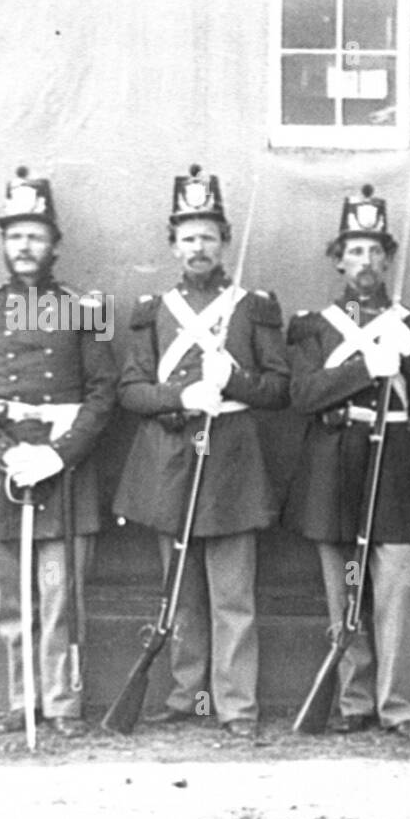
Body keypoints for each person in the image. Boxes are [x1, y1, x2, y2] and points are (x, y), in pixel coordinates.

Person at [113, 165, 290, 740]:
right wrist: (182, 395)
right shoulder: (151, 309)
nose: (198, 247)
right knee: (181, 592)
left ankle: (237, 706)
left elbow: (279, 389)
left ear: (224, 243)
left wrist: (233, 379)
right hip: (169, 461)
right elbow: (130, 391)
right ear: (173, 244)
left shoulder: (253, 307)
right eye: (187, 236)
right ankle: (188, 696)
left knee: (233, 595)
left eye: (208, 236)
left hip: (233, 465)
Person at [0, 167, 117, 738]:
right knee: (14, 600)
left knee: (62, 594)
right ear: (3, 242)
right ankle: (24, 700)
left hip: (64, 468)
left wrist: (60, 454)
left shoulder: (80, 307)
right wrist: (4, 451)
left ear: (54, 245)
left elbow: (102, 392)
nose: (25, 246)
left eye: (36, 235)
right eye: (15, 235)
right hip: (4, 469)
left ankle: (63, 704)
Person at [286, 184, 410, 739]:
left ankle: (397, 706)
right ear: (338, 260)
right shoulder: (313, 325)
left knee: (399, 585)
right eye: (355, 251)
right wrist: (364, 370)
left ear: (388, 259)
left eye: (377, 251)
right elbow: (303, 396)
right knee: (345, 585)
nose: (367, 262)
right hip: (335, 462)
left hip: (394, 457)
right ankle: (355, 701)